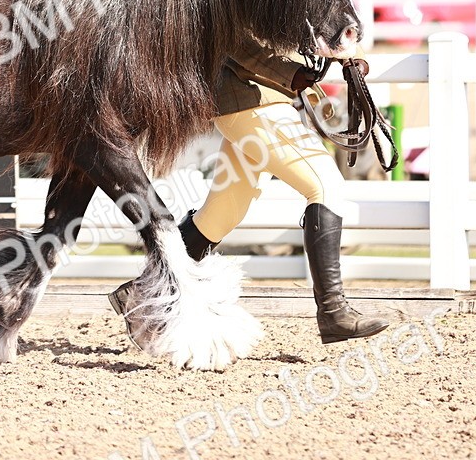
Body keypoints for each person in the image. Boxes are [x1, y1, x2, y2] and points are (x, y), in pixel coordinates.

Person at [109, 31, 390, 345]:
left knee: (219, 216)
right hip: (251, 100)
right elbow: (233, 38)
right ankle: (333, 312)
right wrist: (291, 72)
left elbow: (329, 20)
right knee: (325, 186)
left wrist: (352, 51)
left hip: (256, 101)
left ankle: (138, 294)